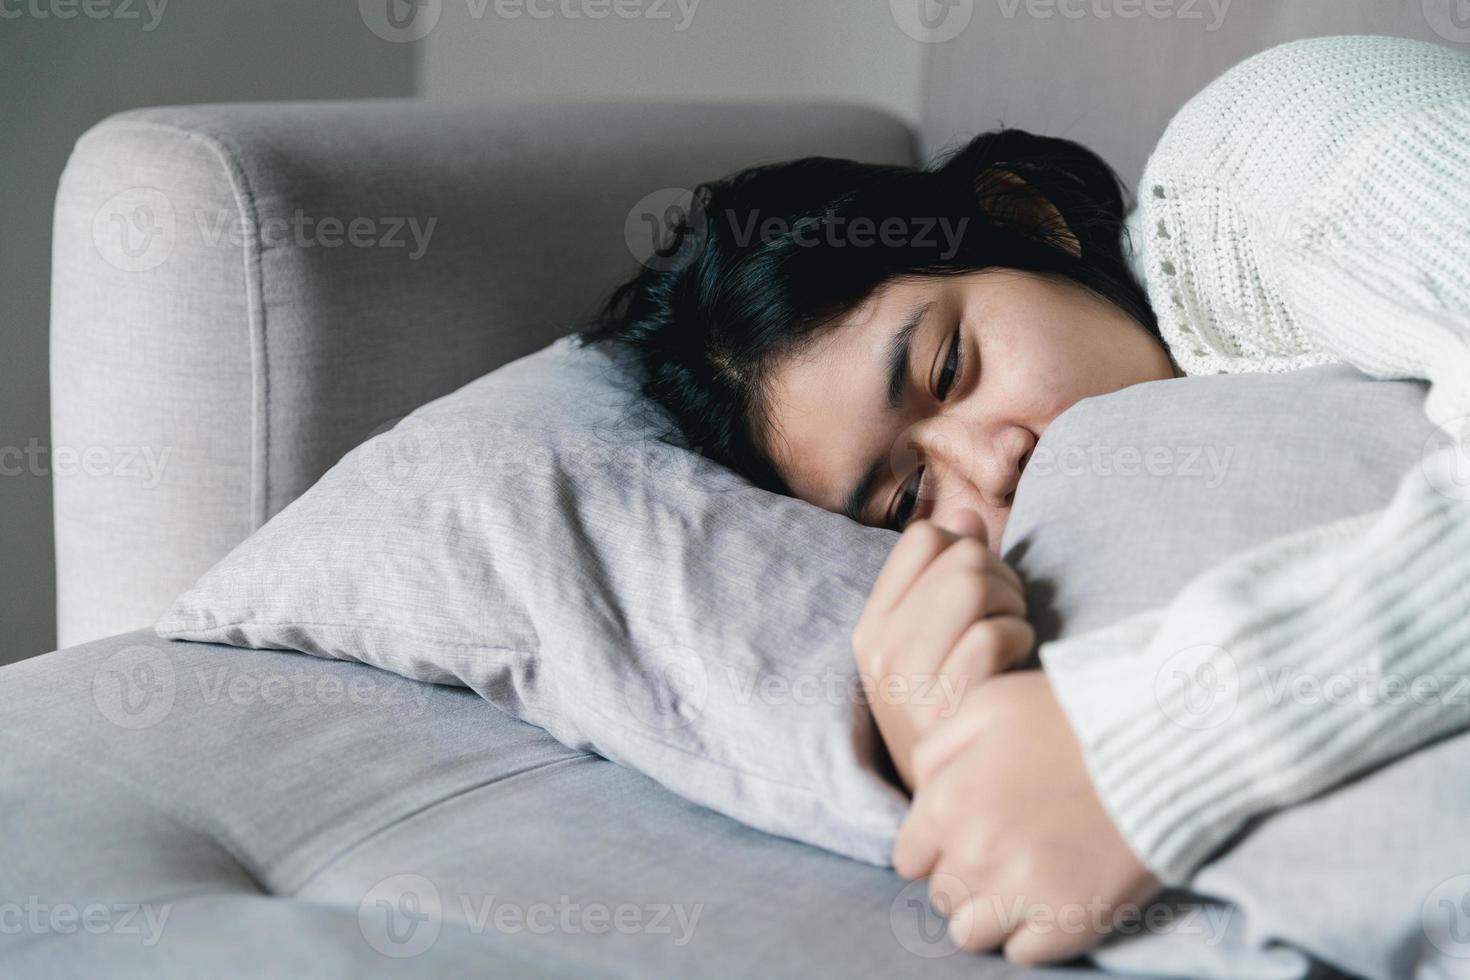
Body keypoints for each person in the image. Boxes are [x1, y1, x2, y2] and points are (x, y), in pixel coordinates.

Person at [577, 33, 1470, 966]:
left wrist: (1140, 755)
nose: (993, 466)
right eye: (908, 493)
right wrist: (943, 733)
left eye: (951, 366)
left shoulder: (1282, 155)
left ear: (1027, 219)